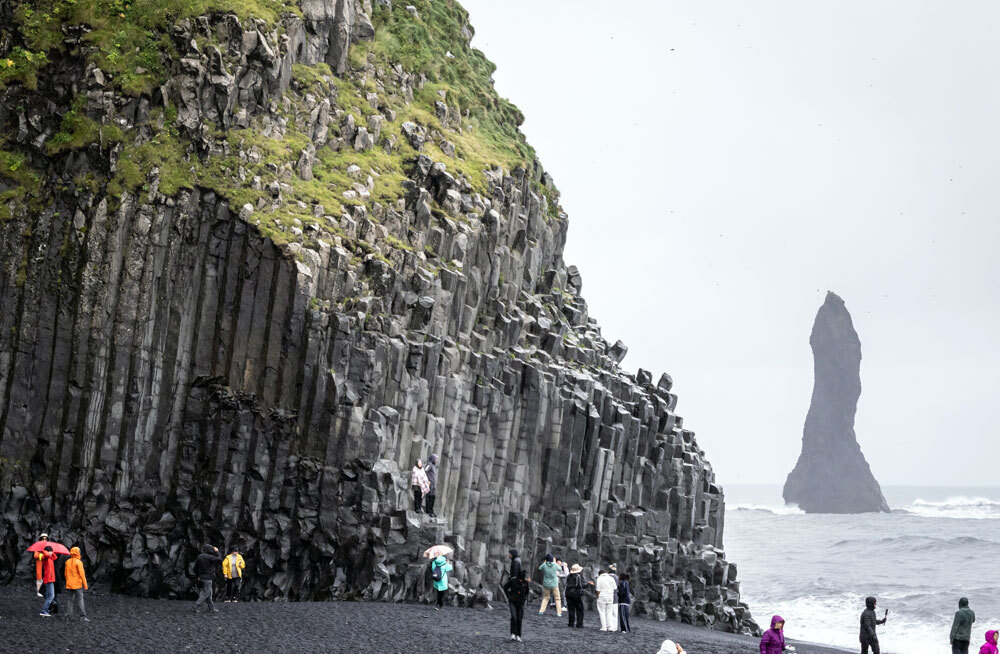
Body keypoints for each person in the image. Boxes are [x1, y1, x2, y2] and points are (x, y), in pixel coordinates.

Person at [503, 569, 530, 642]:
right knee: (514, 617)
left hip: (521, 603)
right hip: (512, 602)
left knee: (519, 618)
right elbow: (505, 587)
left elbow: (527, 591)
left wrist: (525, 599)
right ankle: (513, 634)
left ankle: (518, 635)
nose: (521, 581)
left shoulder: (526, 583)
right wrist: (509, 596)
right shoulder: (513, 581)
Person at [193, 544, 222, 614]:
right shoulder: (210, 557)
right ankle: (196, 605)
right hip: (208, 578)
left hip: (201, 577)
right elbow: (219, 559)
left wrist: (198, 576)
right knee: (206, 593)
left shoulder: (199, 556)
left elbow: (195, 568)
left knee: (209, 592)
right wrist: (217, 552)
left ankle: (211, 607)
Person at [64, 546, 89, 621]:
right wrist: (85, 585)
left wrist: (68, 581)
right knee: (80, 599)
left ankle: (68, 616)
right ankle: (82, 616)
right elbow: (82, 575)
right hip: (77, 585)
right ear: (78, 553)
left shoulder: (67, 562)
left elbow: (65, 574)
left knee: (70, 600)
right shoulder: (79, 562)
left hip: (69, 584)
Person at [565, 563, 588, 628]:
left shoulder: (569, 576)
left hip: (568, 592)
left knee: (570, 609)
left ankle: (571, 623)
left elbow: (566, 583)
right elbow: (580, 586)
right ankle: (579, 624)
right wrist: (587, 584)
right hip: (575, 593)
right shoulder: (578, 576)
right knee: (579, 609)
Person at [38, 545, 57, 617]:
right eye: (50, 551)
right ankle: (44, 610)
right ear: (47, 552)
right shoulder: (45, 557)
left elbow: (55, 557)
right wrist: (45, 551)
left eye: (52, 551)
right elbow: (45, 554)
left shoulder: (50, 558)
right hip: (48, 579)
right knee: (51, 596)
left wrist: (52, 552)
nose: (51, 553)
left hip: (50, 579)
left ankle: (46, 609)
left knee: (50, 595)